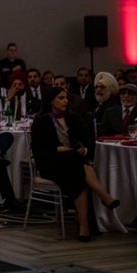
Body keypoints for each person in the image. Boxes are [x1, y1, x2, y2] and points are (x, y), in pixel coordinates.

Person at [31, 86, 119, 241]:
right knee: (74, 160)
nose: (65, 101)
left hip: (72, 163)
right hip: (50, 163)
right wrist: (61, 149)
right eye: (61, 98)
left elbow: (87, 141)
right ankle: (103, 196)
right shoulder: (41, 121)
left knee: (77, 171)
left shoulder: (73, 118)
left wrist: (83, 149)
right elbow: (40, 149)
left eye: (66, 98)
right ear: (51, 101)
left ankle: (84, 227)